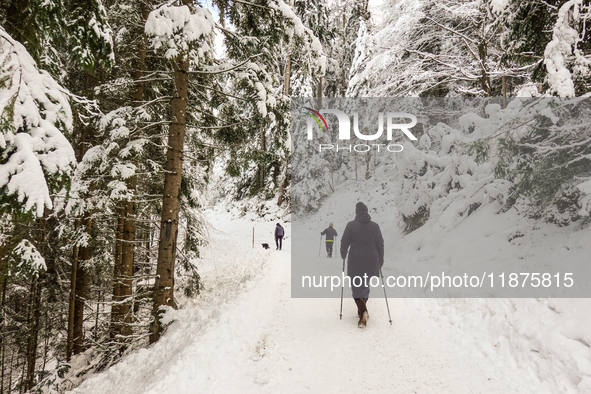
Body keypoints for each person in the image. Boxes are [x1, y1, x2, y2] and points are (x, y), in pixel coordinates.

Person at [340, 202, 384, 328]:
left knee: (356, 286)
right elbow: (380, 244)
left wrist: (343, 253)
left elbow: (344, 241)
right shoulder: (375, 226)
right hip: (371, 260)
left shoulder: (351, 225)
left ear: (356, 212)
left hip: (356, 259)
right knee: (365, 285)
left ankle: (363, 310)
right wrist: (381, 260)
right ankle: (361, 311)